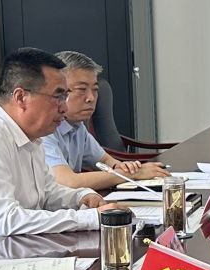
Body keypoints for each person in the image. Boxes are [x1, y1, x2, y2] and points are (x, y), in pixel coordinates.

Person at [0, 47, 108, 260]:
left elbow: (47, 192)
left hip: (24, 252)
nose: (64, 108)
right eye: (58, 96)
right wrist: (89, 219)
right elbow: (6, 220)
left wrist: (82, 196)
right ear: (21, 97)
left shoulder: (30, 135)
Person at [47, 51, 166, 193]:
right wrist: (131, 174)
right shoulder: (44, 130)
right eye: (81, 89)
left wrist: (124, 167)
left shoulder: (77, 127)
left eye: (95, 90)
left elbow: (105, 161)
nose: (91, 98)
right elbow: (68, 182)